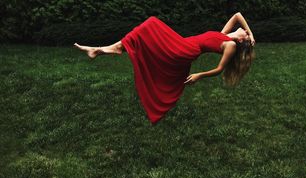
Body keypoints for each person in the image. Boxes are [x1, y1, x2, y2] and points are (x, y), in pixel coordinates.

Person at [74, 12, 256, 124]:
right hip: (183, 43)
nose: (245, 30)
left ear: (241, 40)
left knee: (151, 24)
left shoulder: (230, 45)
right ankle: (104, 50)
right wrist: (252, 34)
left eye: (246, 34)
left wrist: (199, 75)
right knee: (145, 31)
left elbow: (219, 69)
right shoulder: (223, 35)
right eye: (246, 31)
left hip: (186, 49)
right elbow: (237, 15)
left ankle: (111, 49)